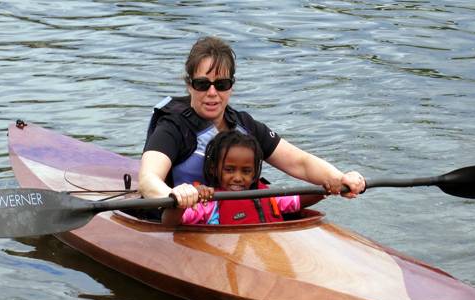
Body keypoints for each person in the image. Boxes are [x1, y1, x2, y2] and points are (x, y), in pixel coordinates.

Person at [139, 36, 365, 215]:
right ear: (189, 85)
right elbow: (148, 180)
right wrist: (175, 195)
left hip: (238, 218)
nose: (212, 93)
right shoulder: (172, 128)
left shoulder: (244, 126)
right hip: (181, 219)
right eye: (202, 84)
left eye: (221, 84)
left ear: (231, 87)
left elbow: (300, 163)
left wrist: (340, 178)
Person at [162, 131, 325, 226]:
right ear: (214, 169)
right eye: (229, 170)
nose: (238, 178)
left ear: (255, 173)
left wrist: (326, 189)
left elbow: (297, 201)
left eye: (246, 171)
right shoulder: (208, 202)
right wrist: (184, 199)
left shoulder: (268, 197)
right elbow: (170, 221)